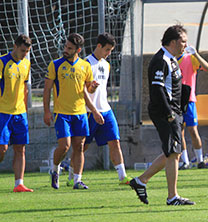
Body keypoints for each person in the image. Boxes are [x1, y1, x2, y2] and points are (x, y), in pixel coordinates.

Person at [129, 25, 194, 205]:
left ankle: (141, 181)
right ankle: (172, 197)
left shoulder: (172, 59)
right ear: (173, 42)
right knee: (173, 153)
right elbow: (157, 90)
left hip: (174, 111)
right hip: (166, 112)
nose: (185, 45)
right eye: (183, 41)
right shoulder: (161, 60)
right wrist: (169, 114)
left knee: (173, 152)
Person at [44, 33, 104, 190]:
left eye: (69, 48)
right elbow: (47, 89)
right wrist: (46, 111)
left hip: (80, 113)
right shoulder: (55, 65)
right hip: (61, 113)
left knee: (79, 146)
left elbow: (86, 91)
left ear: (78, 49)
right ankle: (54, 169)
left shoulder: (85, 66)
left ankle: (77, 180)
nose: (66, 50)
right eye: (65, 46)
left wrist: (94, 108)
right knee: (64, 146)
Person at [77, 33, 131, 185]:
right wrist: (93, 110)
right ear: (99, 46)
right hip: (88, 112)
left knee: (115, 141)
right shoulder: (86, 63)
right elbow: (83, 90)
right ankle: (71, 174)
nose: (109, 53)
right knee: (82, 147)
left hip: (106, 109)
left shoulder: (106, 65)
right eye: (107, 49)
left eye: (111, 50)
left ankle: (123, 177)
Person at [0, 35, 33, 192]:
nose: (24, 54)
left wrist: (25, 111)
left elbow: (25, 89)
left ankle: (19, 183)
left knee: (20, 148)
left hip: (20, 114)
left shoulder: (26, 63)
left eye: (27, 51)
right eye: (22, 51)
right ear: (14, 46)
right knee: (2, 149)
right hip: (3, 112)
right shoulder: (2, 62)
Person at [177, 41, 208, 169]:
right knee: (180, 132)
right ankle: (184, 161)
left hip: (189, 100)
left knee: (193, 130)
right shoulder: (169, 60)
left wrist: (196, 54)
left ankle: (200, 160)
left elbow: (207, 68)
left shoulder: (190, 59)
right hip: (175, 101)